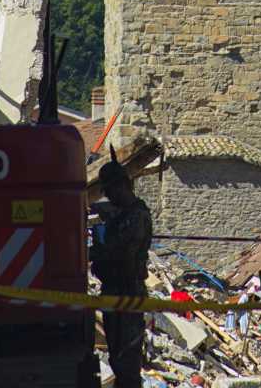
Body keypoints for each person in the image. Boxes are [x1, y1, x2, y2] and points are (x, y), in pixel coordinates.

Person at [89, 146, 153, 388]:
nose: (108, 195)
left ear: (121, 186)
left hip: (128, 294)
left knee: (126, 363)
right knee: (117, 358)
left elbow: (120, 254)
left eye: (109, 190)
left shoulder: (136, 216)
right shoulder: (122, 215)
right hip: (115, 293)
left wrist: (95, 253)